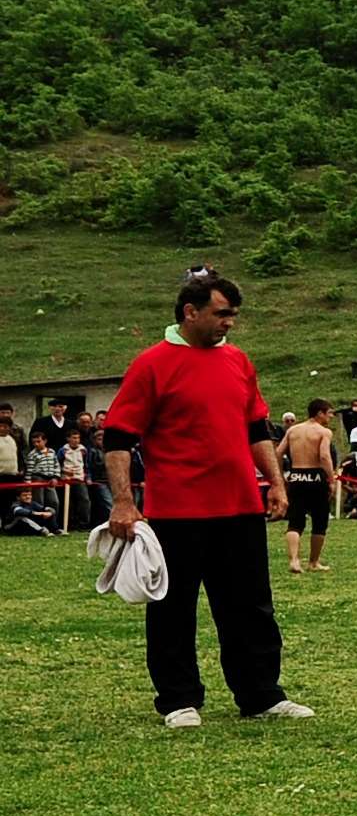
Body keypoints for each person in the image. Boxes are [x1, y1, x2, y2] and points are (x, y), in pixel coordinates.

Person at [99, 274, 313, 726]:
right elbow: (118, 436)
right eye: (221, 314)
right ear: (190, 312)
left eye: (233, 316)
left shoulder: (237, 361)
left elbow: (256, 428)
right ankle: (179, 700)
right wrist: (123, 502)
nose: (229, 324)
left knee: (251, 607)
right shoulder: (153, 364)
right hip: (177, 511)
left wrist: (275, 483)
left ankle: (260, 696)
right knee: (173, 609)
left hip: (239, 507)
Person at [279, 400, 338, 573]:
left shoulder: (293, 430)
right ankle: (314, 562)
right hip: (316, 476)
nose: (331, 417)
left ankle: (294, 561)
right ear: (320, 413)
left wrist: (280, 475)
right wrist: (331, 479)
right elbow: (324, 457)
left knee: (295, 521)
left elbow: (278, 453)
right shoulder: (323, 432)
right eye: (329, 413)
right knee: (320, 521)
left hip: (296, 475)